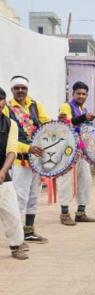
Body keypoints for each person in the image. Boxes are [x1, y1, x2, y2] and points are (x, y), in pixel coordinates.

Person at [3, 76, 50, 244]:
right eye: (17, 88)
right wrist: (27, 148)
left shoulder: (35, 106)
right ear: (12, 90)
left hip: (37, 161)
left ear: (27, 89)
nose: (20, 91)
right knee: (19, 198)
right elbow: (8, 138)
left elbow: (47, 125)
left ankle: (29, 231)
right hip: (19, 161)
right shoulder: (7, 109)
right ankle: (17, 237)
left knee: (34, 196)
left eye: (23, 88)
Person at [57, 81, 95, 225]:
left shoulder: (84, 109)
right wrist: (84, 118)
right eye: (78, 93)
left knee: (85, 179)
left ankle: (81, 212)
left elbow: (85, 130)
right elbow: (66, 123)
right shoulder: (66, 106)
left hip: (82, 150)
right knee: (65, 181)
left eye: (84, 94)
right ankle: (64, 214)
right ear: (72, 94)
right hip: (67, 149)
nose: (81, 96)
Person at [0, 87, 28, 260]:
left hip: (2, 176)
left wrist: (3, 171)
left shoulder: (10, 124)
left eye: (0, 99)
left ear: (4, 102)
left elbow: (11, 151)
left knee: (12, 212)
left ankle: (16, 245)